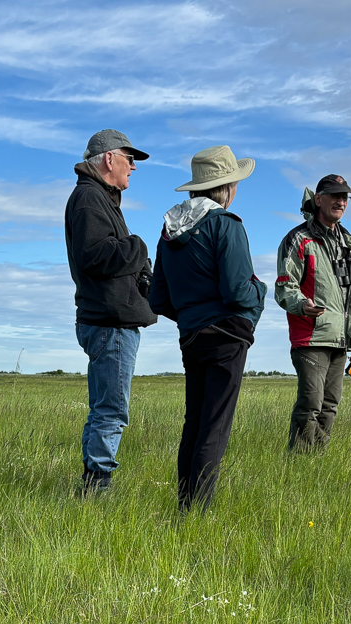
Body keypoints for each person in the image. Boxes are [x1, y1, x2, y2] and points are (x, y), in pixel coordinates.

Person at [149, 146, 266, 512]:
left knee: (195, 422)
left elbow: (157, 300)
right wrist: (260, 291)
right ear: (227, 188)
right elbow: (237, 290)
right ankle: (195, 514)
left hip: (192, 337)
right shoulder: (225, 225)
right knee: (215, 426)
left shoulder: (168, 233)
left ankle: (185, 504)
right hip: (228, 335)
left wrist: (190, 314)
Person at [64, 129, 157, 495]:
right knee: (112, 411)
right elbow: (95, 256)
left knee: (103, 408)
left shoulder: (101, 199)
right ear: (108, 159)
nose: (133, 166)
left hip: (107, 320)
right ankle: (98, 487)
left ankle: (92, 483)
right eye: (129, 158)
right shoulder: (89, 199)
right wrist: (138, 247)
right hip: (109, 323)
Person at [274, 174, 351, 451]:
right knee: (311, 404)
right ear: (318, 199)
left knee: (330, 406)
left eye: (345, 197)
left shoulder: (350, 243)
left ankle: (316, 463)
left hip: (340, 340)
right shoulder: (298, 239)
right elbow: (284, 287)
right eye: (334, 196)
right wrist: (302, 304)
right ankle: (299, 466)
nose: (341, 201)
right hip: (310, 337)